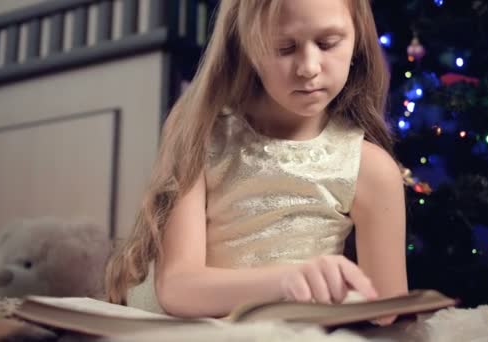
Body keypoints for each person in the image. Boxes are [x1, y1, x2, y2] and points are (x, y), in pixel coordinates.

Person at [105, 0, 408, 326]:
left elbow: (387, 310)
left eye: (327, 44)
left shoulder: (372, 169)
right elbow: (177, 288)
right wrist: (289, 282)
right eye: (283, 48)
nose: (308, 67)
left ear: (358, 41)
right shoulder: (201, 132)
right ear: (246, 48)